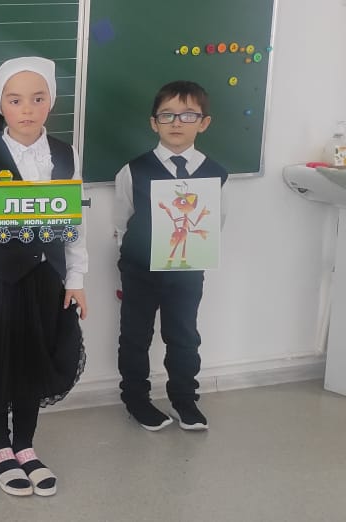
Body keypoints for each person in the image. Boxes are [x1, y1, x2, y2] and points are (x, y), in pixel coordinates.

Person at [0, 57, 88, 497]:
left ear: (51, 102)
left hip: (48, 280)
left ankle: (25, 445)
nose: (27, 109)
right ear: (1, 106)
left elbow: (75, 220)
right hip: (0, 282)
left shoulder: (66, 155)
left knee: (34, 361)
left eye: (37, 98)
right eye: (15, 100)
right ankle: (0, 448)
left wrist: (76, 277)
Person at [114, 80, 227, 432]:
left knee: (183, 335)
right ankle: (136, 399)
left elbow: (216, 221)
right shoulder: (133, 170)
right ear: (154, 123)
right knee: (135, 336)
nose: (177, 122)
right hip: (140, 270)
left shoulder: (215, 174)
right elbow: (122, 221)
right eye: (167, 115)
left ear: (203, 123)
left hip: (187, 271)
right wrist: (133, 256)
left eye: (188, 115)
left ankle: (184, 399)